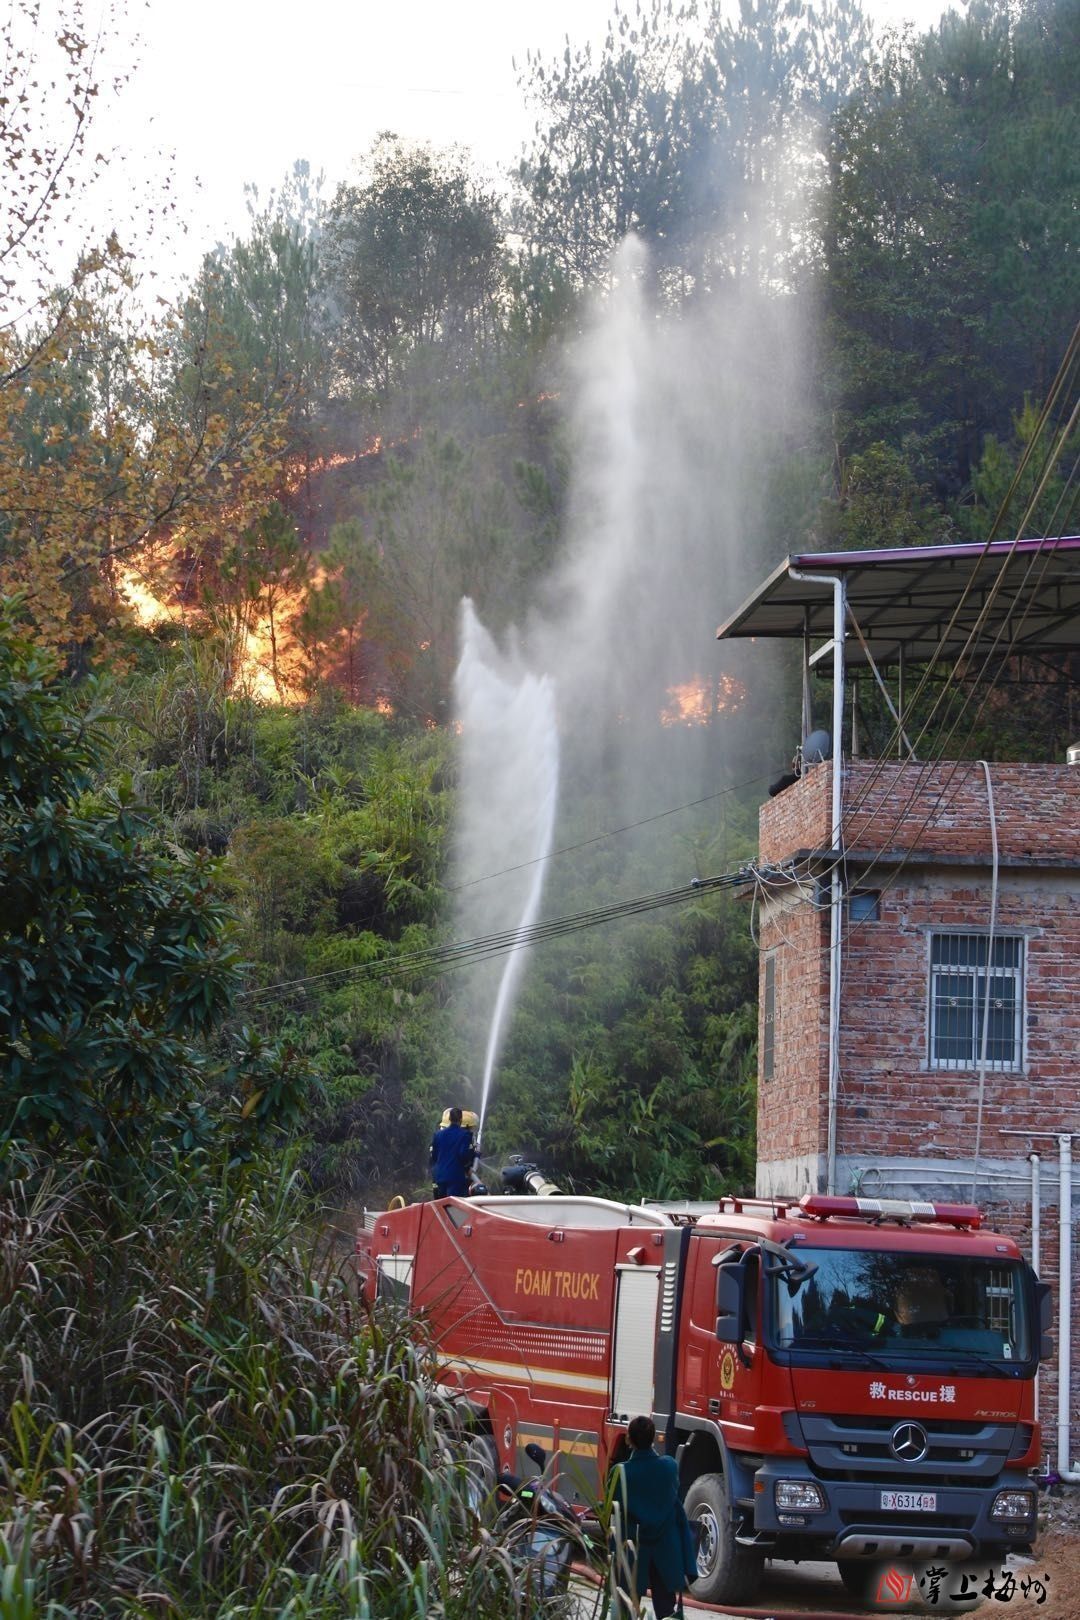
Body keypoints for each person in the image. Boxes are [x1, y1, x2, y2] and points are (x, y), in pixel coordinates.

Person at [613, 1415, 697, 1620]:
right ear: (653, 1438)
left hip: (634, 1550)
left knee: (627, 1607)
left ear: (628, 1439)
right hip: (666, 1549)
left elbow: (612, 1508)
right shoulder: (669, 1467)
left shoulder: (621, 1472)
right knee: (666, 1609)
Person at [430, 1106, 476, 1199]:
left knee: (441, 1205)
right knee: (454, 1207)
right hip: (455, 1178)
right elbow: (463, 1155)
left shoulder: (438, 1134)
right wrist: (472, 1158)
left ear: (450, 1119)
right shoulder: (465, 1135)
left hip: (439, 1177)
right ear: (461, 1119)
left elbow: (434, 1156)